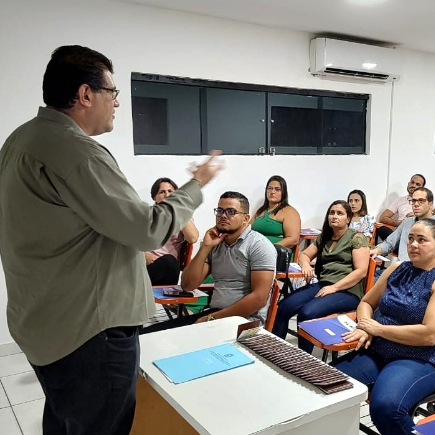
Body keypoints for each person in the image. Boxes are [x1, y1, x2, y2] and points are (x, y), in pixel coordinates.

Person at [0, 45, 222, 435]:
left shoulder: (21, 140)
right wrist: (197, 183)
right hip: (90, 333)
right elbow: (147, 229)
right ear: (86, 95)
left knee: (66, 419)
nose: (118, 103)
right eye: (113, 93)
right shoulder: (77, 153)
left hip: (44, 321)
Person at [332, 219, 435, 435]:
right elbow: (366, 302)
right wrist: (366, 326)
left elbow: (429, 335)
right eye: (411, 238)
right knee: (328, 383)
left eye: (422, 240)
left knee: (386, 408)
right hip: (379, 349)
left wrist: (378, 329)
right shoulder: (397, 267)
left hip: (421, 358)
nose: (413, 244)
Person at [142, 191, 277, 333]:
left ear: (246, 218)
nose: (223, 215)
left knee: (170, 342)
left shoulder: (259, 245)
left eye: (231, 211)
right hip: (215, 315)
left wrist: (211, 318)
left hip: (245, 322)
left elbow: (259, 298)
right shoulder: (215, 243)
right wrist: (205, 247)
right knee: (145, 335)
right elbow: (188, 285)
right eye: (220, 211)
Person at [273, 200, 370, 353]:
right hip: (324, 284)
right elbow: (304, 254)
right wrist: (305, 265)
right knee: (284, 306)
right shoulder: (325, 236)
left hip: (348, 291)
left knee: (307, 313)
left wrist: (335, 287)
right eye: (332, 213)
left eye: (340, 213)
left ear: (348, 218)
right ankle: (273, 350)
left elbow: (361, 271)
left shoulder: (356, 237)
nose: (334, 216)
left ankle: (303, 360)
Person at [370, 188, 435, 261]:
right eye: (414, 201)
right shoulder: (407, 222)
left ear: (430, 204)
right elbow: (389, 243)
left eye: (421, 201)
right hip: (401, 269)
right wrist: (376, 250)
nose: (416, 204)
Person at [145, 177, 199, 285]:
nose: (167, 195)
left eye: (170, 191)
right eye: (162, 192)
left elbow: (193, 238)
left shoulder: (183, 216)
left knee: (169, 261)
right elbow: (131, 243)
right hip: (147, 266)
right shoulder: (147, 216)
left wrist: (179, 211)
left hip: (169, 268)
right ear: (155, 197)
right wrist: (144, 256)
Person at [377, 174, 435, 240]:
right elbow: (383, 218)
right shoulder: (399, 200)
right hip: (401, 232)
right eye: (412, 182)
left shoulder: (427, 199)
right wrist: (398, 223)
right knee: (381, 229)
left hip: (421, 232)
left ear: (422, 188)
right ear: (408, 183)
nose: (413, 185)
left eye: (417, 184)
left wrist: (419, 214)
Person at [249, 175, 300, 256]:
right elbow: (247, 229)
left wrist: (270, 248)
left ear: (283, 192)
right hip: (254, 253)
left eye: (277, 189)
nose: (272, 192)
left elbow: (293, 239)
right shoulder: (261, 210)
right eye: (270, 188)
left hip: (275, 254)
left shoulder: (289, 211)